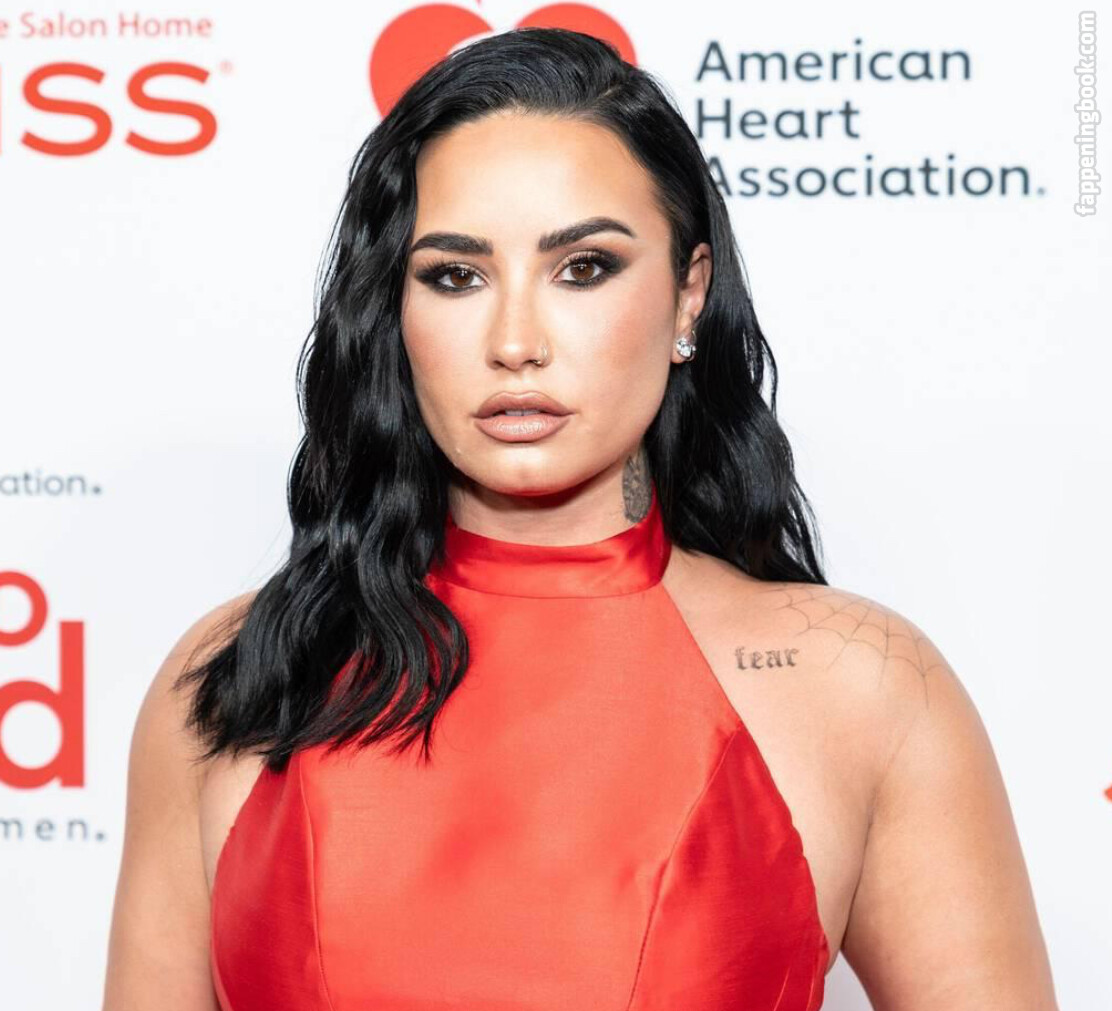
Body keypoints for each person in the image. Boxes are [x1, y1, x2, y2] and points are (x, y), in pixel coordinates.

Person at [102, 26, 1058, 1011]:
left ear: (687, 295)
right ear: (394, 311)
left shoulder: (859, 689)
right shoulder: (238, 681)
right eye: (455, 276)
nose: (515, 341)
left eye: (584, 267)